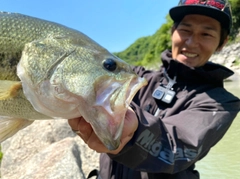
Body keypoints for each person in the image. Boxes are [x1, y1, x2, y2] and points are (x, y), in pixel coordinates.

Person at [68, 0, 240, 178]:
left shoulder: (221, 103)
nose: (191, 42)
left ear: (222, 42)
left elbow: (177, 148)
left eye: (206, 34)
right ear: (173, 32)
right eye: (185, 30)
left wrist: (131, 135)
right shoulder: (136, 77)